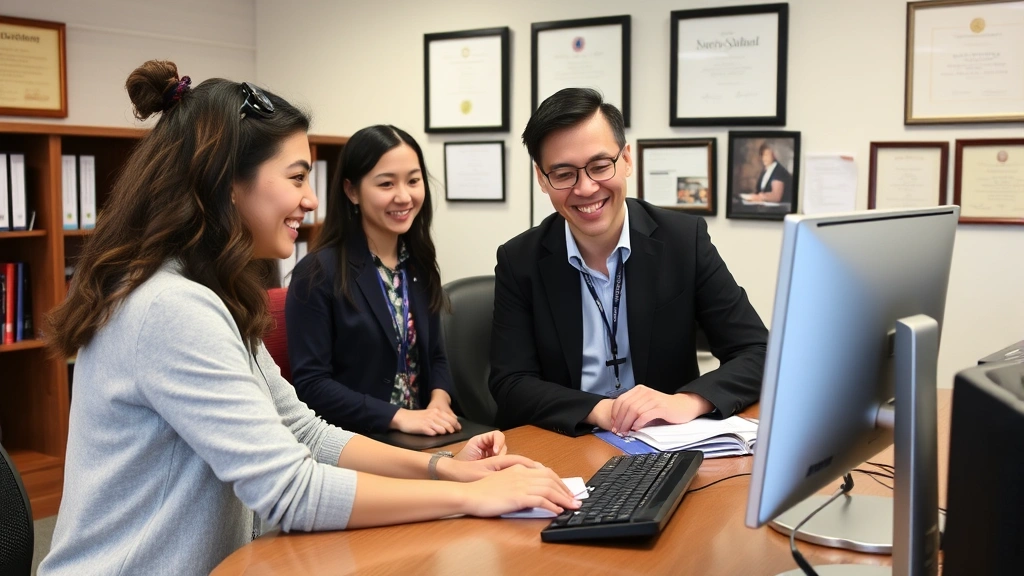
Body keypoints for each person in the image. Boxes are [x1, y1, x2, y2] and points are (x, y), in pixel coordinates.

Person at [38, 60, 577, 576]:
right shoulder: (168, 309)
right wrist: (467, 498)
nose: (311, 200)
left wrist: (449, 467)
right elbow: (290, 490)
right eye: (296, 177)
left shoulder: (207, 294)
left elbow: (303, 433)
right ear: (227, 181)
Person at [489, 87, 768, 437]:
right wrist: (603, 411)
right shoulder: (520, 260)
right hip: (568, 440)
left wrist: (686, 401)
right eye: (563, 174)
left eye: (600, 166)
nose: (586, 188)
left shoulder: (682, 240)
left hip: (664, 439)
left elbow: (757, 351)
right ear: (542, 180)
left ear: (627, 160)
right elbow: (510, 383)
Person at [286, 125, 459, 436]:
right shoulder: (317, 273)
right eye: (386, 184)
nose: (404, 196)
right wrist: (398, 417)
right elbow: (312, 385)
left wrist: (439, 401)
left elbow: (436, 356)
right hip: (360, 440)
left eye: (413, 181)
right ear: (352, 191)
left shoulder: (417, 262)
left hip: (425, 435)